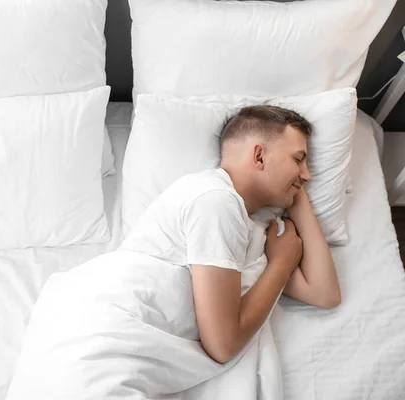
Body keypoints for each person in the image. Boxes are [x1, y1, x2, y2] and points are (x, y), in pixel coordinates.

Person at [119, 105, 341, 365]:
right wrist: (281, 264)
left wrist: (297, 195)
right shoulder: (214, 199)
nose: (308, 174)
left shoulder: (258, 227)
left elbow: (325, 294)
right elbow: (223, 346)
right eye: (298, 159)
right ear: (259, 156)